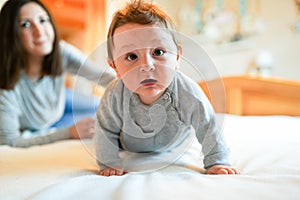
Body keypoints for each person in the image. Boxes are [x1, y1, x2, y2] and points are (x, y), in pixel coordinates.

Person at [94, 0, 239, 176]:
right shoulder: (114, 95)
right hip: (128, 145)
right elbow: (104, 130)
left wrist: (217, 161)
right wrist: (109, 163)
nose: (147, 66)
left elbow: (207, 125)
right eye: (131, 56)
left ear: (177, 57)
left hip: (174, 142)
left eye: (158, 52)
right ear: (115, 67)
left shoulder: (187, 92)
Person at [0, 0, 115, 147]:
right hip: (38, 123)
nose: (40, 31)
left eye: (43, 20)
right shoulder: (5, 86)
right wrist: (68, 133)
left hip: (60, 102)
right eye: (26, 25)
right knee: (90, 125)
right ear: (10, 34)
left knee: (101, 107)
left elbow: (104, 77)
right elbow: (10, 142)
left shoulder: (61, 52)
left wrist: (141, 92)